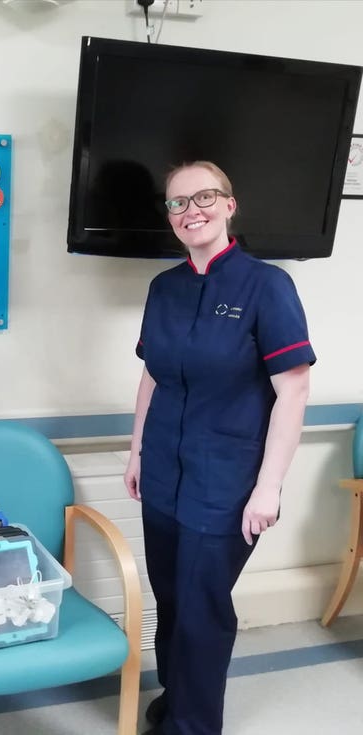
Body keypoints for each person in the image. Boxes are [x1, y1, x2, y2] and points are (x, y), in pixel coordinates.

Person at [123, 161, 315, 735]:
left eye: (204, 197)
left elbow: (295, 388)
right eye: (178, 203)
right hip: (163, 471)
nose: (191, 210)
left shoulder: (267, 285)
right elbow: (151, 378)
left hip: (227, 483)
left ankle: (193, 725)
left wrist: (269, 487)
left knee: (203, 607)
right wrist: (136, 452)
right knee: (172, 599)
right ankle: (176, 695)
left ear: (230, 205)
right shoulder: (165, 288)